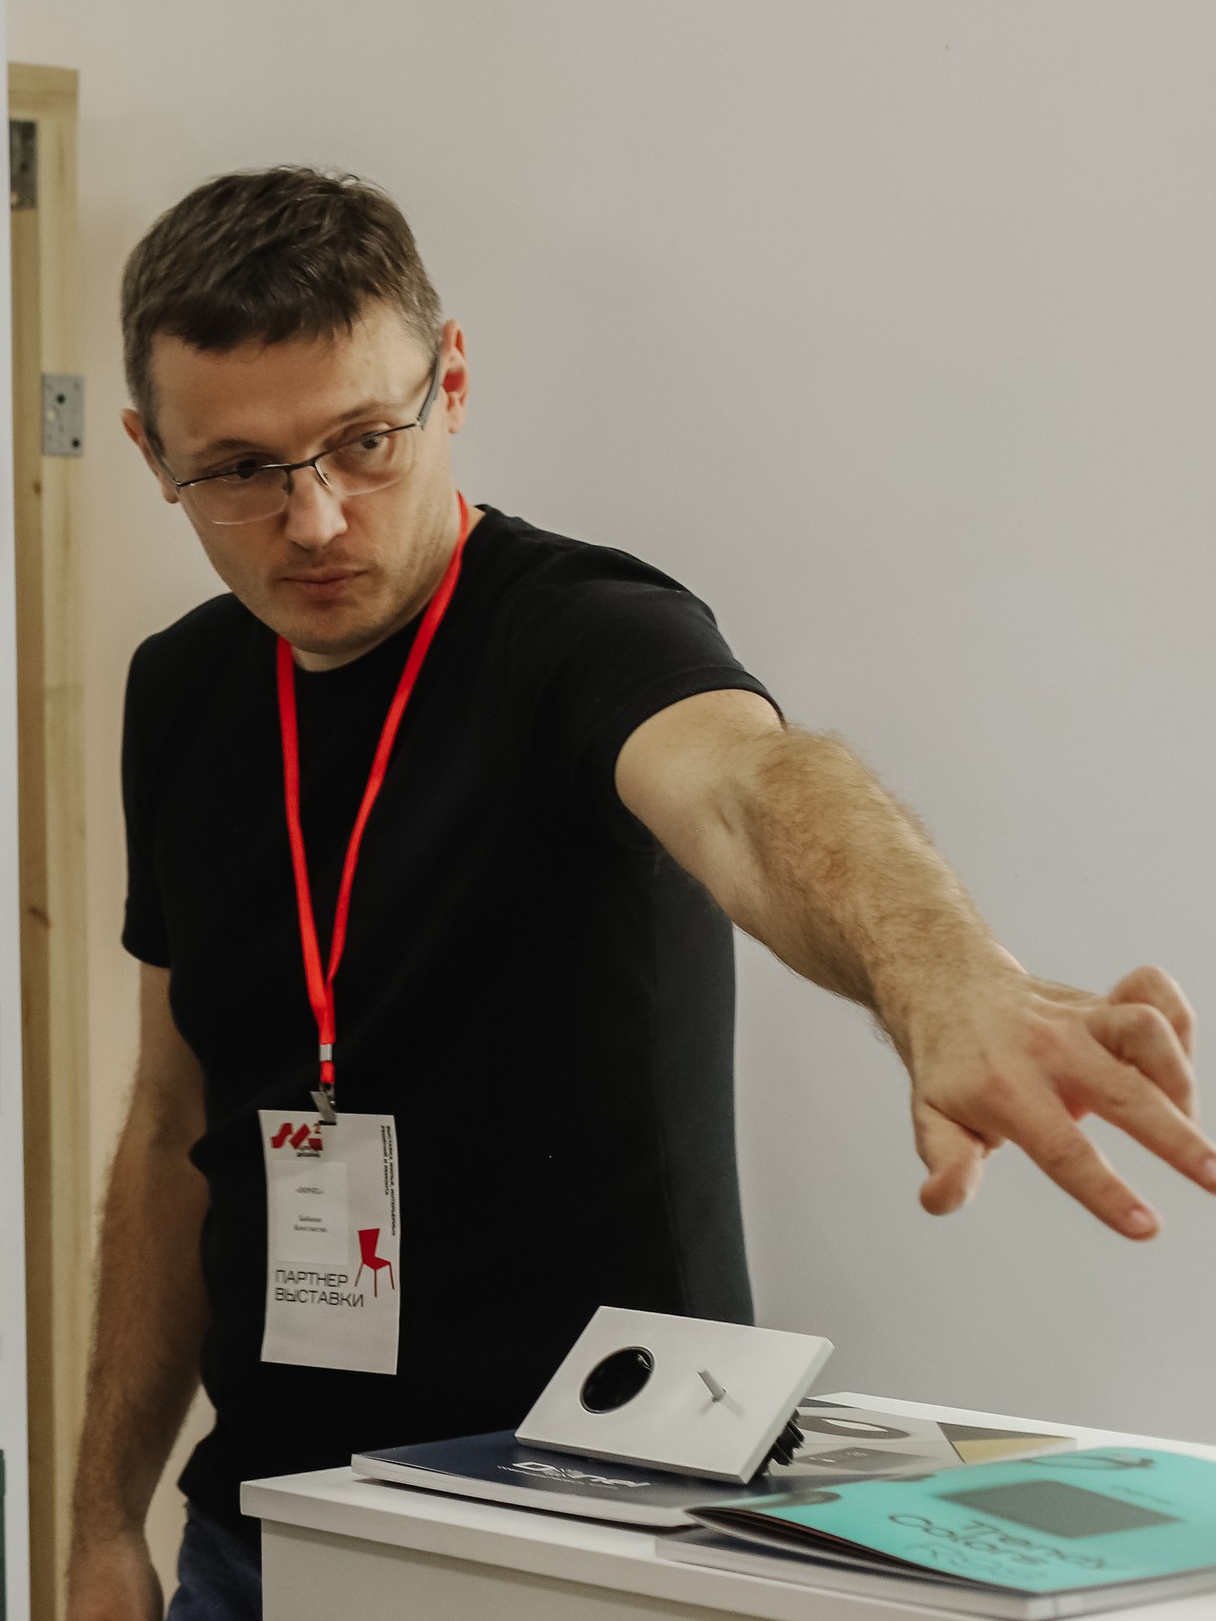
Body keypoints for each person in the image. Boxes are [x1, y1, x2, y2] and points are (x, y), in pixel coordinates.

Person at [67, 166, 1211, 1621]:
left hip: (594, 1537)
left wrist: (942, 977)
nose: (314, 518)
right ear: (150, 452)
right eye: (238, 470)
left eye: (364, 442)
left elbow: (755, 788)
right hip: (267, 1535)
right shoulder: (180, 687)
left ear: (451, 381)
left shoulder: (585, 635)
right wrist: (102, 1518)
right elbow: (173, 1122)